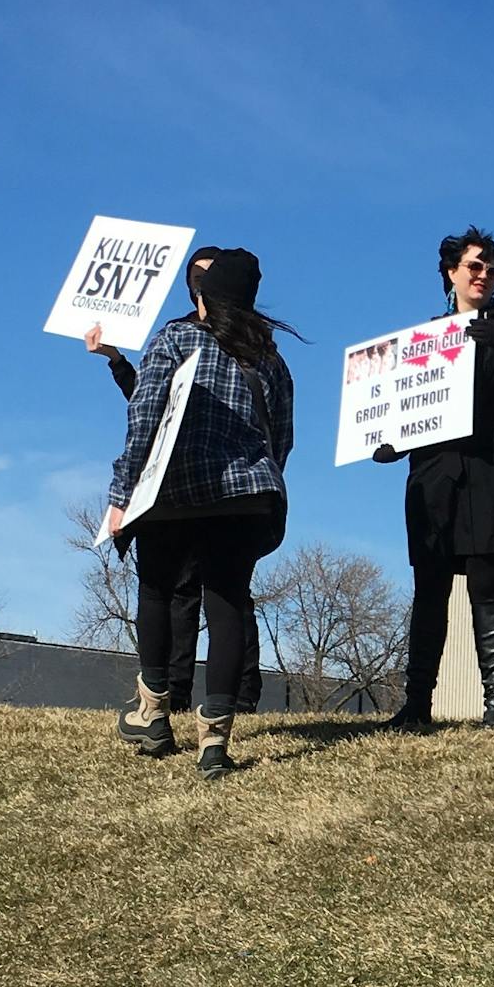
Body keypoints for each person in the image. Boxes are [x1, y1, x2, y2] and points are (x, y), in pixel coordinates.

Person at [105, 251, 295, 779]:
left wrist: (121, 493)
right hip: (249, 497)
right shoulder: (271, 358)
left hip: (176, 493)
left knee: (156, 591)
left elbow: (145, 416)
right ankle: (214, 744)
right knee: (227, 602)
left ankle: (153, 716)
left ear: (203, 299)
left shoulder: (175, 338)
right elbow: (282, 439)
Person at [378, 228, 494, 729]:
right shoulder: (426, 337)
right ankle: (416, 705)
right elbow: (409, 404)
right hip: (436, 467)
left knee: (486, 582)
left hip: (491, 461)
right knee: (429, 586)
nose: (484, 275)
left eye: (492, 269)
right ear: (451, 272)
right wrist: (393, 441)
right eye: (475, 266)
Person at [82, 244, 260, 717]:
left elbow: (268, 425)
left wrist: (122, 494)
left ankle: (235, 697)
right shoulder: (185, 337)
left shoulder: (241, 345)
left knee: (225, 597)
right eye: (196, 279)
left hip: (219, 487)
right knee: (182, 592)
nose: (203, 287)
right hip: (185, 486)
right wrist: (116, 359)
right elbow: (150, 405)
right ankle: (176, 697)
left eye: (210, 278)